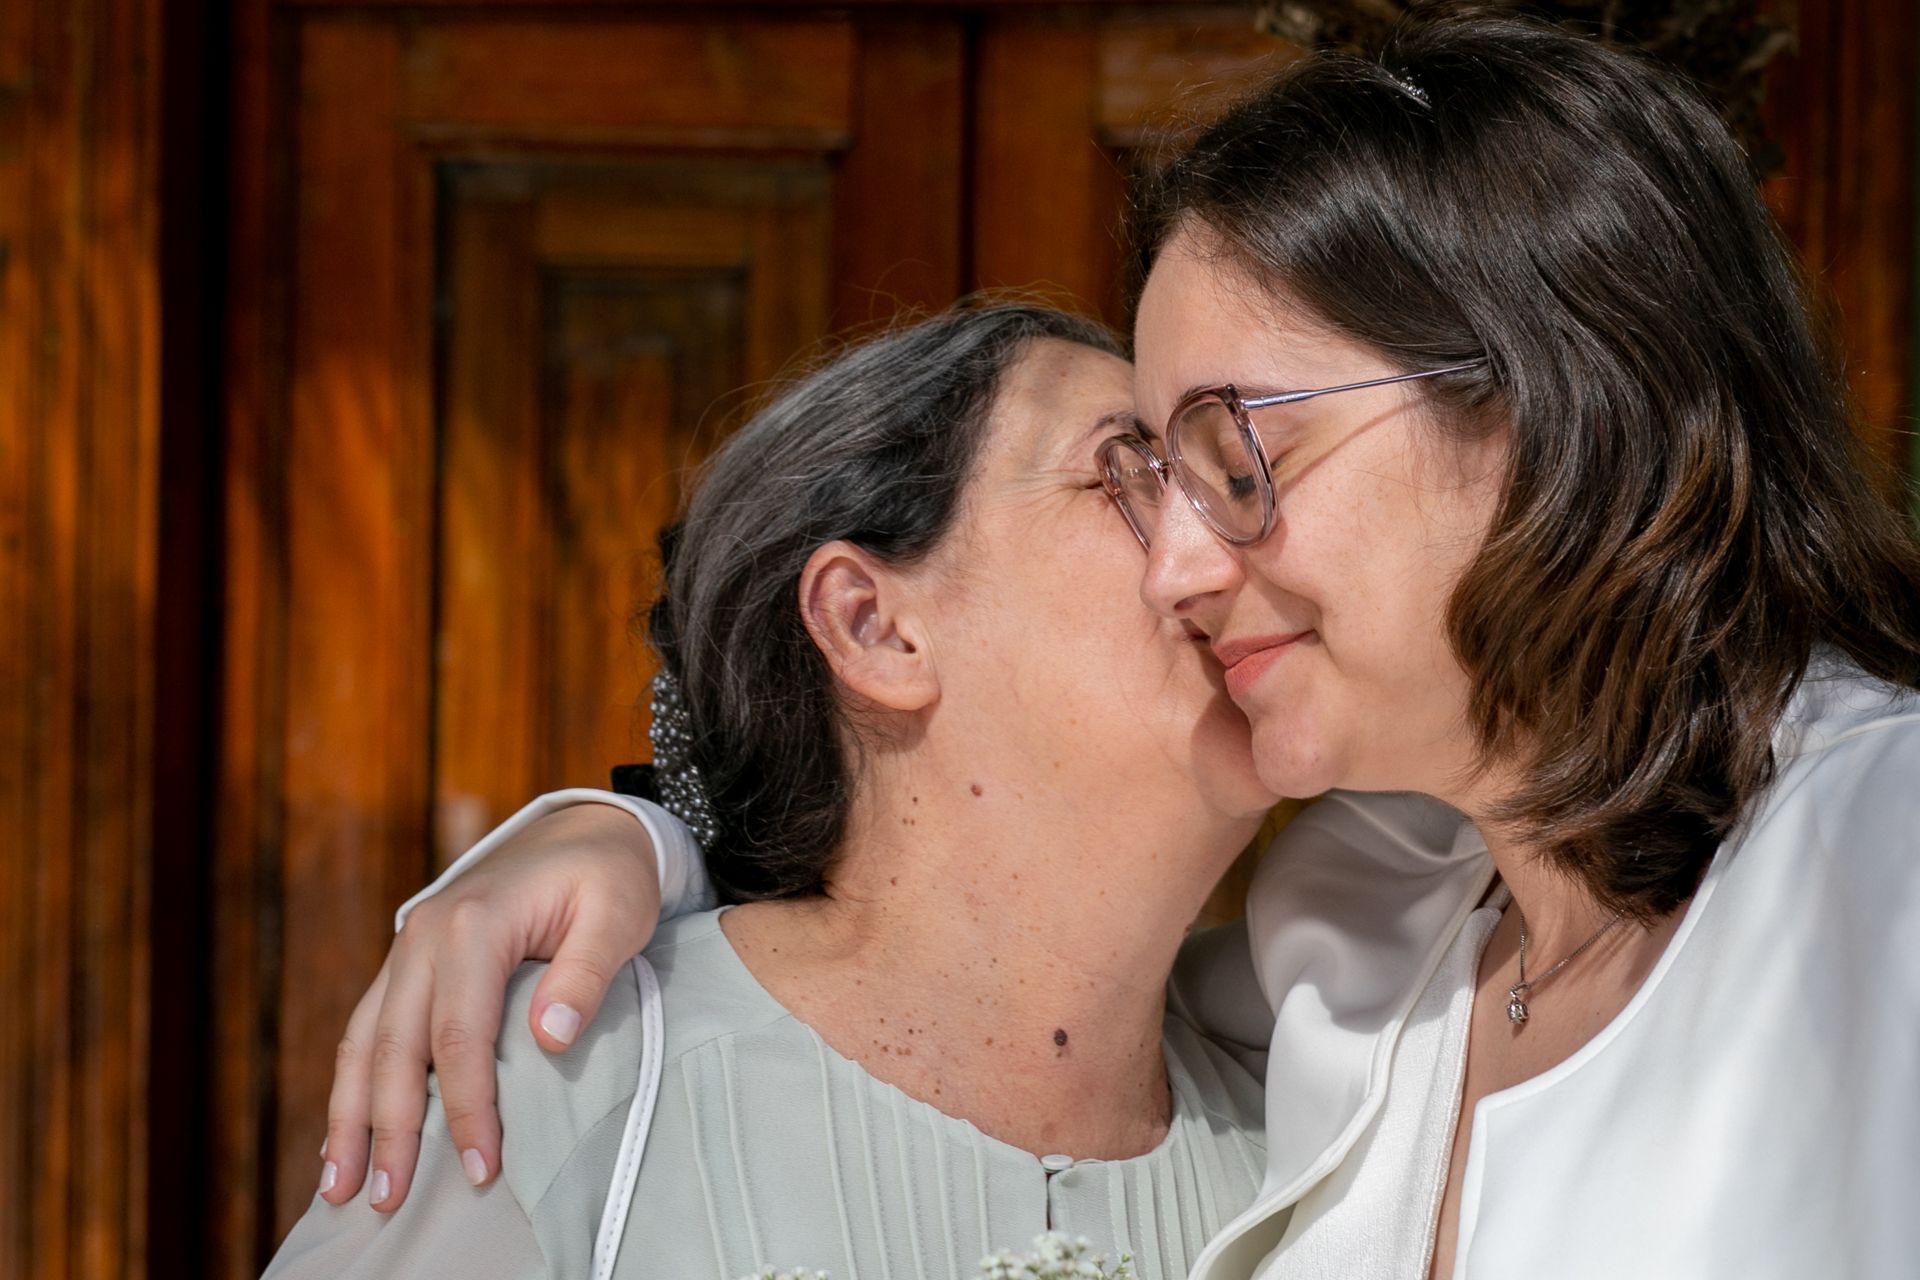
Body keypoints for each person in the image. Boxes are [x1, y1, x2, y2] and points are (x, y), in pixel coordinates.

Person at [314, 14, 1920, 1280]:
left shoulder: (1856, 870)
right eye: (1134, 473)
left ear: (1540, 389)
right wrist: (632, 832)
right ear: (871, 624)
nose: (1186, 555)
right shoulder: (1379, 957)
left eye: (1229, 454)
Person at [264, 301, 1285, 1280]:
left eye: (1223, 476)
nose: (1225, 541)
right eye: (1134, 471)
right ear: (874, 626)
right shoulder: (569, 1083)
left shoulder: (1324, 1137)